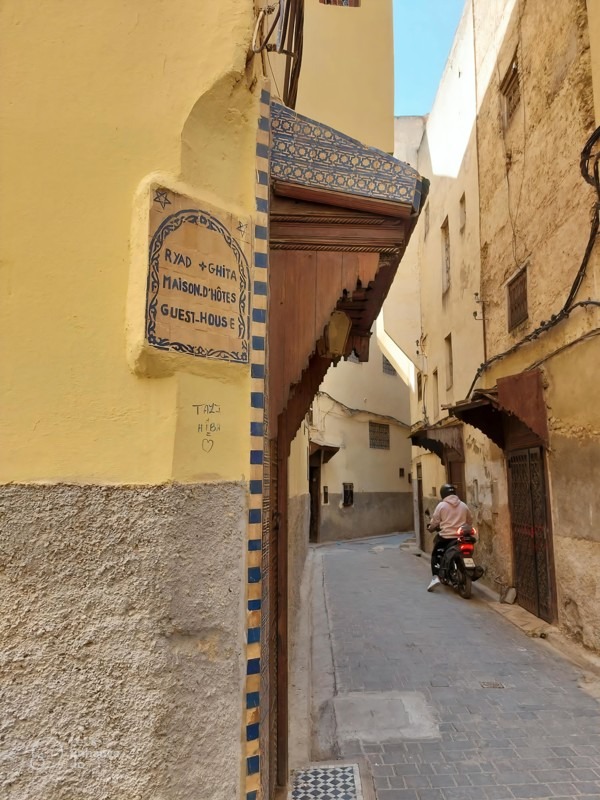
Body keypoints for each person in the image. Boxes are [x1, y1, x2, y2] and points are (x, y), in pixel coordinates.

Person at [425, 483, 472, 592]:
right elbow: (470, 521)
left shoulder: (441, 506)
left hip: (446, 537)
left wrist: (431, 528)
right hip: (461, 537)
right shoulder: (463, 505)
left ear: (443, 494)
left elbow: (435, 521)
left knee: (435, 554)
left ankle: (435, 577)